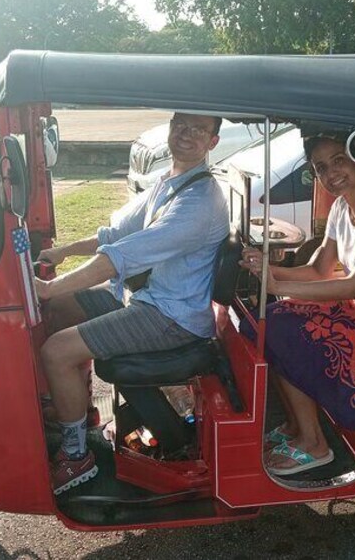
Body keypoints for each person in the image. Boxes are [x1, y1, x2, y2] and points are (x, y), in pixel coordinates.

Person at [35, 113, 228, 494]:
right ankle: (80, 412)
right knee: (59, 311)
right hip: (145, 300)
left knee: (56, 351)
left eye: (199, 130)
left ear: (213, 142)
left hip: (173, 317)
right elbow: (116, 233)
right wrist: (61, 251)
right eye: (181, 126)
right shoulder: (170, 182)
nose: (187, 135)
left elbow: (120, 257)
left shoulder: (199, 201)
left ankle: (76, 457)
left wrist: (47, 288)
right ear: (170, 130)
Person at [239, 135, 355, 476]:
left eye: (339, 160)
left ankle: (315, 444)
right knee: (262, 322)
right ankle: (300, 427)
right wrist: (266, 268)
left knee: (281, 327)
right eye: (321, 168)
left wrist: (278, 285)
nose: (332, 173)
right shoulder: (342, 206)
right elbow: (319, 270)